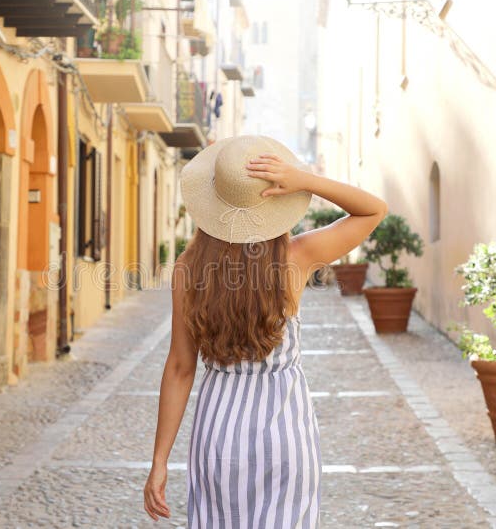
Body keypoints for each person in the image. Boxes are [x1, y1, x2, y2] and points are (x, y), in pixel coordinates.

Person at [143, 135, 387, 528]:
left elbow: (179, 368)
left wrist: (159, 462)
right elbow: (373, 210)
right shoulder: (297, 257)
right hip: (285, 431)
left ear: (212, 205)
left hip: (218, 431)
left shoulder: (188, 270)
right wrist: (304, 179)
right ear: (275, 203)